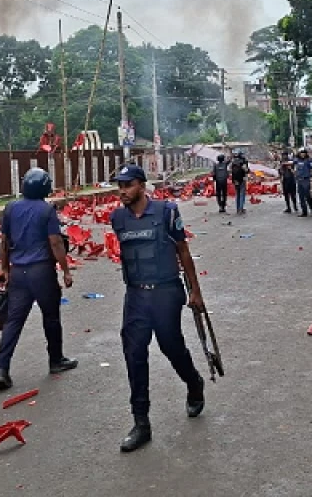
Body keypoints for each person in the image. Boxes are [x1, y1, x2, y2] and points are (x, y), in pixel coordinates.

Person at [110, 164, 207, 452]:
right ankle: (141, 423)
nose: (122, 192)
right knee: (134, 353)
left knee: (171, 346)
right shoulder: (118, 218)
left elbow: (183, 250)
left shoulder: (167, 212)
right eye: (120, 186)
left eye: (127, 185)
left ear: (141, 185)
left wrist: (196, 292)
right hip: (136, 295)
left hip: (166, 292)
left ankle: (194, 383)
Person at [0, 168, 78, 391]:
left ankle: (2, 368)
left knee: (13, 321)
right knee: (51, 317)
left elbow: (4, 241)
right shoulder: (46, 210)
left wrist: (4, 268)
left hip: (18, 272)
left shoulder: (11, 208)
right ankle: (56, 360)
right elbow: (56, 242)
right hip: (41, 272)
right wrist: (66, 270)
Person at [293, 148, 312, 218]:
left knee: (308, 196)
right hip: (299, 180)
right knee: (301, 197)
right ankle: (304, 211)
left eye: (304, 153)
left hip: (306, 180)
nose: (302, 154)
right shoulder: (297, 160)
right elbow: (292, 164)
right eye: (301, 153)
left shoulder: (308, 161)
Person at [230, 150, 250, 214]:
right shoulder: (243, 161)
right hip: (242, 179)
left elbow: (230, 170)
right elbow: (246, 170)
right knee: (242, 194)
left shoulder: (233, 162)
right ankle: (241, 209)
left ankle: (237, 209)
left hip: (235, 180)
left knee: (237, 194)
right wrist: (248, 170)